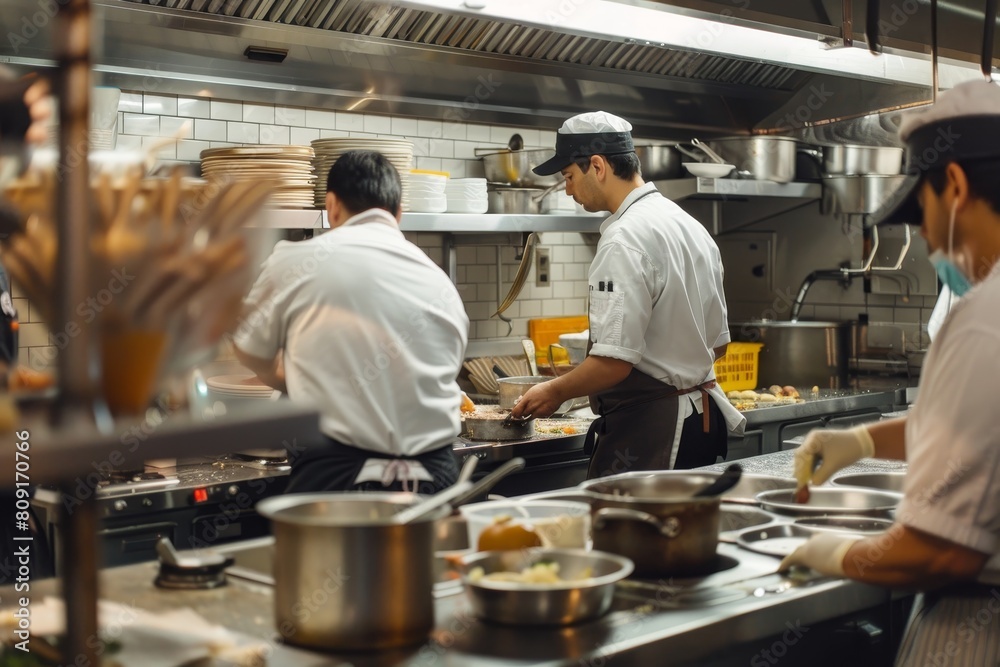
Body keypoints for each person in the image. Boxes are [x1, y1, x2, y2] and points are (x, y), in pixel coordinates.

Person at [779, 79, 1000, 666]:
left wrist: (833, 552)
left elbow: (941, 553)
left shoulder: (984, 317)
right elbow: (980, 433)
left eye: (922, 208)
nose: (924, 233)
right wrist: (862, 439)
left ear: (953, 185)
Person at [510, 111, 745, 477]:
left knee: (630, 532)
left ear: (598, 166)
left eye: (569, 176)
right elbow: (718, 346)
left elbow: (613, 363)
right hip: (701, 424)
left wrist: (555, 390)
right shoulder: (689, 225)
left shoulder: (623, 239)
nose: (568, 190)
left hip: (655, 432)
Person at [234, 150, 469, 493]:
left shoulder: (295, 260)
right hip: (435, 478)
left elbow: (249, 349)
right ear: (398, 212)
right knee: (427, 550)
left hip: (336, 479)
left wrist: (289, 379)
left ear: (331, 205)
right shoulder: (443, 285)